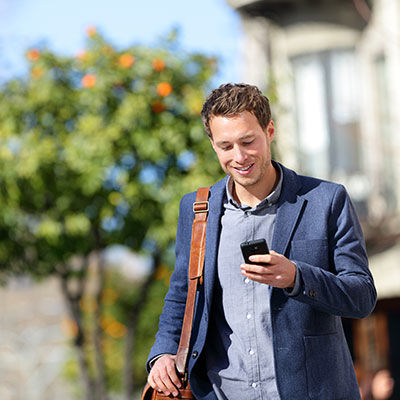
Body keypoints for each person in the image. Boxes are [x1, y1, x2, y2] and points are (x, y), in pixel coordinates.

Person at [146, 83, 377, 399]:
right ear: (213, 145)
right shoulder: (197, 209)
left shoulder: (327, 200)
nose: (239, 157)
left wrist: (296, 277)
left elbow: (361, 296)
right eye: (226, 146)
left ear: (269, 131)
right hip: (221, 393)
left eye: (247, 141)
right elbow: (183, 293)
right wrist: (162, 353)